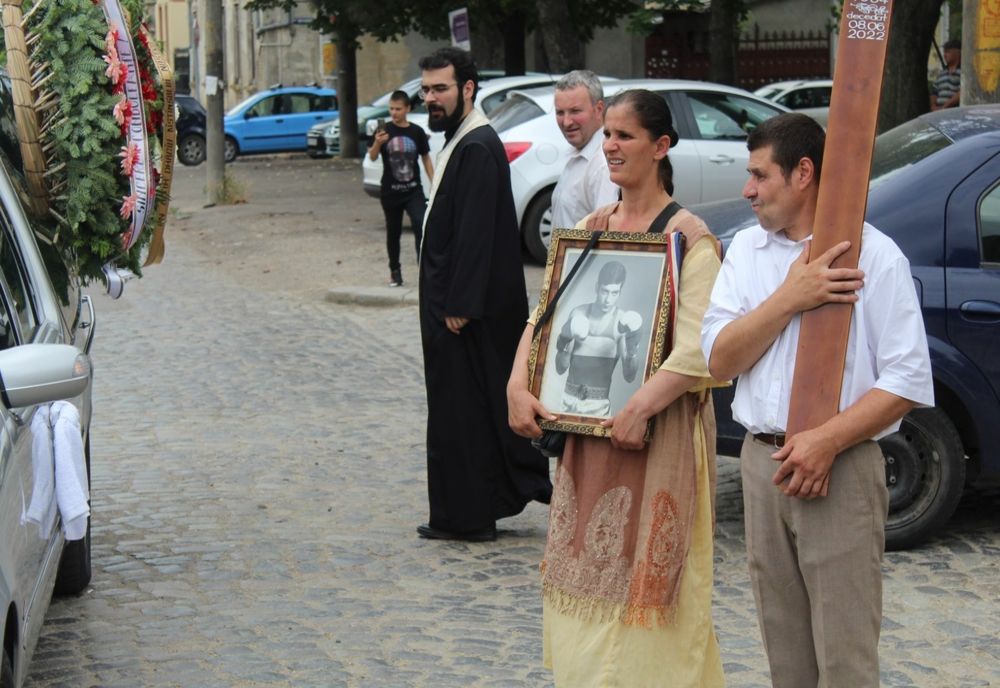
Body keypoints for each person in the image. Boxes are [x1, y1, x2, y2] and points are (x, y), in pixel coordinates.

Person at [700, 113, 933, 687]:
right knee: (787, 656)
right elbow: (720, 360)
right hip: (763, 464)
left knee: (845, 658)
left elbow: (905, 379)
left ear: (803, 173)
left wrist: (827, 441)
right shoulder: (747, 252)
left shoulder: (876, 256)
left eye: (759, 175)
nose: (747, 190)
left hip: (843, 466)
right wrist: (790, 297)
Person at [507, 89, 726, 687]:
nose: (610, 146)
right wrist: (517, 385)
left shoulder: (691, 240)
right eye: (607, 135)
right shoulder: (588, 229)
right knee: (586, 594)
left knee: (653, 611)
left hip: (659, 440)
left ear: (660, 147)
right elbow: (544, 319)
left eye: (624, 135)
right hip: (590, 437)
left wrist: (640, 406)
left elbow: (700, 349)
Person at [416, 47, 552, 543]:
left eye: (441, 89)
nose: (431, 98)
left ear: (467, 89)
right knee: (460, 410)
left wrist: (460, 304)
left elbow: (477, 232)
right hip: (451, 305)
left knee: (466, 413)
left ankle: (469, 516)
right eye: (426, 90)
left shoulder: (476, 145)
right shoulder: (464, 139)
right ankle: (465, 510)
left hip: (461, 312)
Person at [553, 260, 643, 416]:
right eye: (604, 291)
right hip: (567, 401)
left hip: (598, 407)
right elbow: (560, 369)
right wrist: (564, 342)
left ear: (620, 293)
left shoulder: (621, 321)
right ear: (597, 287)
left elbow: (629, 376)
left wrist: (632, 349)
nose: (608, 299)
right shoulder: (578, 314)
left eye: (614, 293)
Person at [368, 90, 433, 287]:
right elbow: (371, 156)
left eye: (398, 109)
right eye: (391, 109)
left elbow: (426, 158)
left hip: (413, 190)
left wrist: (435, 182)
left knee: (421, 225)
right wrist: (378, 144)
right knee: (393, 232)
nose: (394, 113)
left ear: (407, 109)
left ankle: (424, 271)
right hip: (390, 191)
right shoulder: (383, 131)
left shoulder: (416, 132)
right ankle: (394, 271)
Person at [550, 70, 618, 231]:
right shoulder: (578, 152)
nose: (566, 122)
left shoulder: (603, 164)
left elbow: (603, 237)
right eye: (560, 112)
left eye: (575, 111)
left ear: (599, 109)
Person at [930, 39, 961, 111]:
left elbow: (962, 93)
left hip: (954, 111)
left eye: (948, 52)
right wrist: (933, 106)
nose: (945, 55)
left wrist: (944, 107)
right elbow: (934, 92)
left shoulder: (963, 73)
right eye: (944, 52)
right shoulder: (941, 74)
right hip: (939, 111)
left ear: (957, 53)